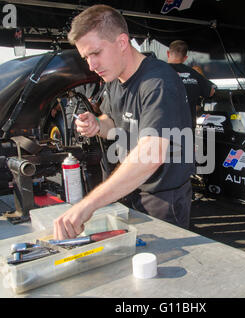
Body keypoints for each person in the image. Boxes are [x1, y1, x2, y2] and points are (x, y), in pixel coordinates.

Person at [53, 5, 194, 239]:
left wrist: (87, 205)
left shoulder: (158, 82)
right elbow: (113, 121)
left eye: (96, 53)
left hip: (161, 199)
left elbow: (151, 154)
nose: (91, 65)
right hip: (128, 190)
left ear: (121, 42)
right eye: (86, 57)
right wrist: (97, 124)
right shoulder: (115, 79)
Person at [167, 40, 215, 128]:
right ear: (185, 58)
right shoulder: (194, 73)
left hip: (164, 130)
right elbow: (211, 92)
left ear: (168, 53)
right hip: (187, 128)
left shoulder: (159, 71)